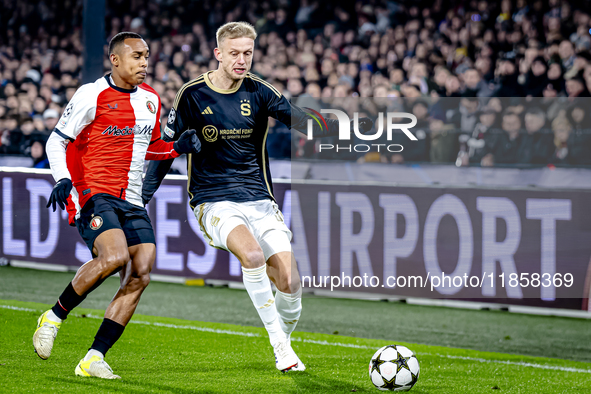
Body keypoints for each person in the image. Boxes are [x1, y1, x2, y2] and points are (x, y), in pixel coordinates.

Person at [142, 22, 371, 372]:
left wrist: (339, 126)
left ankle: (284, 340)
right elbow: (165, 151)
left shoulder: (260, 91)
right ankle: (280, 347)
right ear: (218, 53)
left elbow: (300, 120)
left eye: (247, 53)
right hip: (213, 200)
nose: (241, 60)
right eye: (234, 53)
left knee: (291, 282)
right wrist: (141, 198)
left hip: (260, 200)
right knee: (251, 256)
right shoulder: (191, 94)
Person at [33, 32, 200, 379]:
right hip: (93, 192)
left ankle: (94, 357)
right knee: (114, 257)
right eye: (137, 56)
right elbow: (57, 140)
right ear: (115, 59)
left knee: (141, 271)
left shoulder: (151, 99)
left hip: (132, 199)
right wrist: (61, 179)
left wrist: (176, 147)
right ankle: (52, 317)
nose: (144, 63)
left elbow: (151, 147)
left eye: (147, 56)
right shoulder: (91, 94)